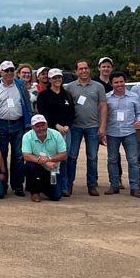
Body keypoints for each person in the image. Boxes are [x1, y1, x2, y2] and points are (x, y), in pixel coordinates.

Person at [0, 60, 32, 197]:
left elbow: (27, 105)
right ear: (1, 72)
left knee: (18, 155)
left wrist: (28, 123)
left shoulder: (20, 86)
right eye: (6, 70)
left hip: (18, 124)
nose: (9, 73)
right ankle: (2, 184)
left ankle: (17, 185)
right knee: (1, 155)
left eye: (11, 70)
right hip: (2, 125)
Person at [63, 60, 107, 197]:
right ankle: (68, 185)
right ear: (76, 71)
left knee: (92, 157)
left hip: (93, 127)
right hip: (75, 127)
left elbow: (103, 106)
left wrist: (102, 126)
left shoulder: (98, 87)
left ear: (90, 70)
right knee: (72, 157)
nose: (83, 71)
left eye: (86, 68)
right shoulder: (69, 87)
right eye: (80, 69)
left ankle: (91, 185)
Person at [104, 72, 140, 198]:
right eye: (116, 82)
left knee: (133, 160)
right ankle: (114, 185)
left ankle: (135, 187)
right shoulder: (106, 98)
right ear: (111, 84)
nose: (119, 84)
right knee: (112, 159)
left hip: (129, 132)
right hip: (112, 132)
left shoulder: (134, 96)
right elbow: (102, 115)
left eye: (121, 81)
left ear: (125, 82)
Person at [21, 114, 66, 202]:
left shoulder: (56, 135)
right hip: (37, 167)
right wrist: (44, 162)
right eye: (37, 126)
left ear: (47, 124)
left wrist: (49, 159)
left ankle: (40, 186)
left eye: (43, 125)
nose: (41, 128)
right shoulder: (27, 137)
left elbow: (64, 155)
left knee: (56, 196)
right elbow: (26, 156)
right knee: (29, 166)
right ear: (32, 127)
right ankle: (34, 192)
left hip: (53, 169)